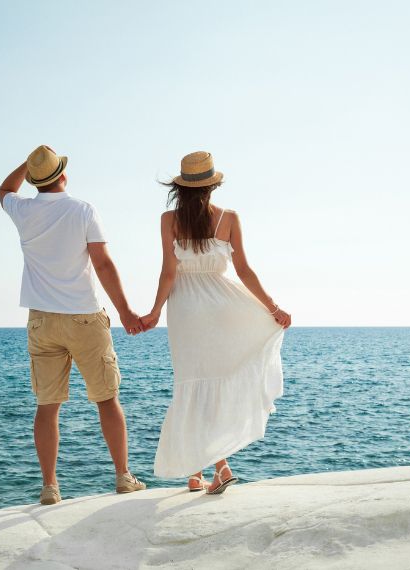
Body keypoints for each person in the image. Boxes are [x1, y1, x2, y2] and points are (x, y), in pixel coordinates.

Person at [0, 145, 146, 505]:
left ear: (34, 180)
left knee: (47, 406)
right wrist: (125, 311)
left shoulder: (23, 210)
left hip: (41, 321)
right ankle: (123, 477)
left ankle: (50, 486)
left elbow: (4, 189)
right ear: (63, 175)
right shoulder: (83, 210)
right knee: (107, 399)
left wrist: (29, 165)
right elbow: (103, 264)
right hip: (84, 317)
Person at [141, 151, 291, 494]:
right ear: (213, 186)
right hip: (222, 307)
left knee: (193, 384)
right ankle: (198, 472)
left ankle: (218, 468)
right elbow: (244, 271)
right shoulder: (229, 218)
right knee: (211, 383)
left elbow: (168, 272)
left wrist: (154, 311)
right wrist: (273, 308)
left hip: (186, 311)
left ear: (181, 187)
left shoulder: (168, 220)